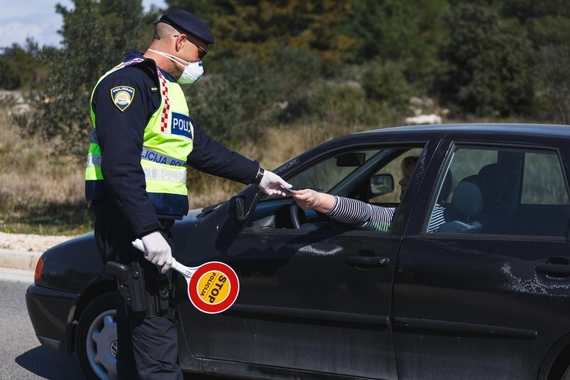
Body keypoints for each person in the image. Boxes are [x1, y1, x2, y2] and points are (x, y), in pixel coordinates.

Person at [84, 9, 290, 380]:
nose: (200, 63)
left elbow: (199, 148)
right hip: (131, 227)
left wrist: (259, 175)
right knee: (156, 328)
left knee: (138, 332)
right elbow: (119, 166)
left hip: (150, 226)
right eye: (201, 53)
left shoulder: (167, 90)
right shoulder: (129, 84)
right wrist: (146, 230)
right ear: (179, 41)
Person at [292, 156, 455, 232]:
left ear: (428, 187)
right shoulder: (449, 214)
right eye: (404, 176)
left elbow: (367, 214)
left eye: (409, 179)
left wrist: (317, 199)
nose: (401, 182)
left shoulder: (417, 218)